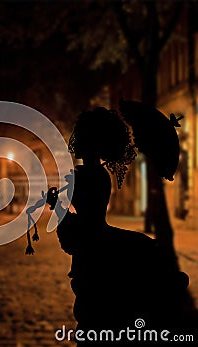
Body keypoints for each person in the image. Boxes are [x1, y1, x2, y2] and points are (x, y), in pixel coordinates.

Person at [53, 108, 190, 346]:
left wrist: (58, 207)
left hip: (93, 249)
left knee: (96, 313)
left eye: (81, 137)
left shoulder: (88, 176)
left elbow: (80, 230)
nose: (76, 142)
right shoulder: (94, 175)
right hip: (94, 244)